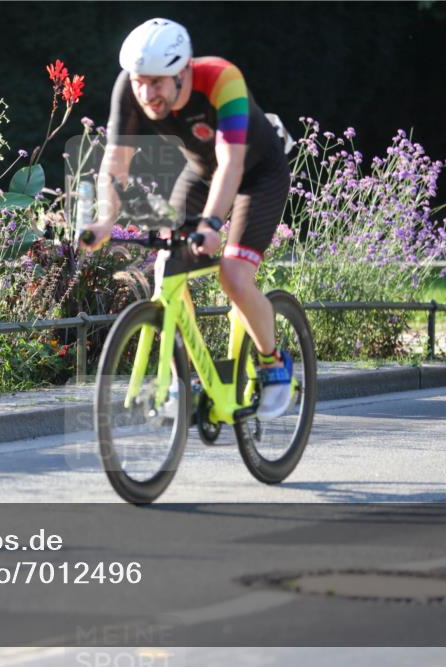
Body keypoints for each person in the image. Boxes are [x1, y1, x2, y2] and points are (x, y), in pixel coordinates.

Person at [81, 18, 294, 419]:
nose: (147, 93)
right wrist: (105, 221)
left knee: (233, 275)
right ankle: (188, 378)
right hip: (202, 171)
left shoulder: (221, 80)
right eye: (141, 81)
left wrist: (211, 225)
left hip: (258, 175)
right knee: (168, 269)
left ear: (184, 72)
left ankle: (273, 362)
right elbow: (115, 160)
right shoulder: (130, 86)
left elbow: (232, 164)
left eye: (157, 83)